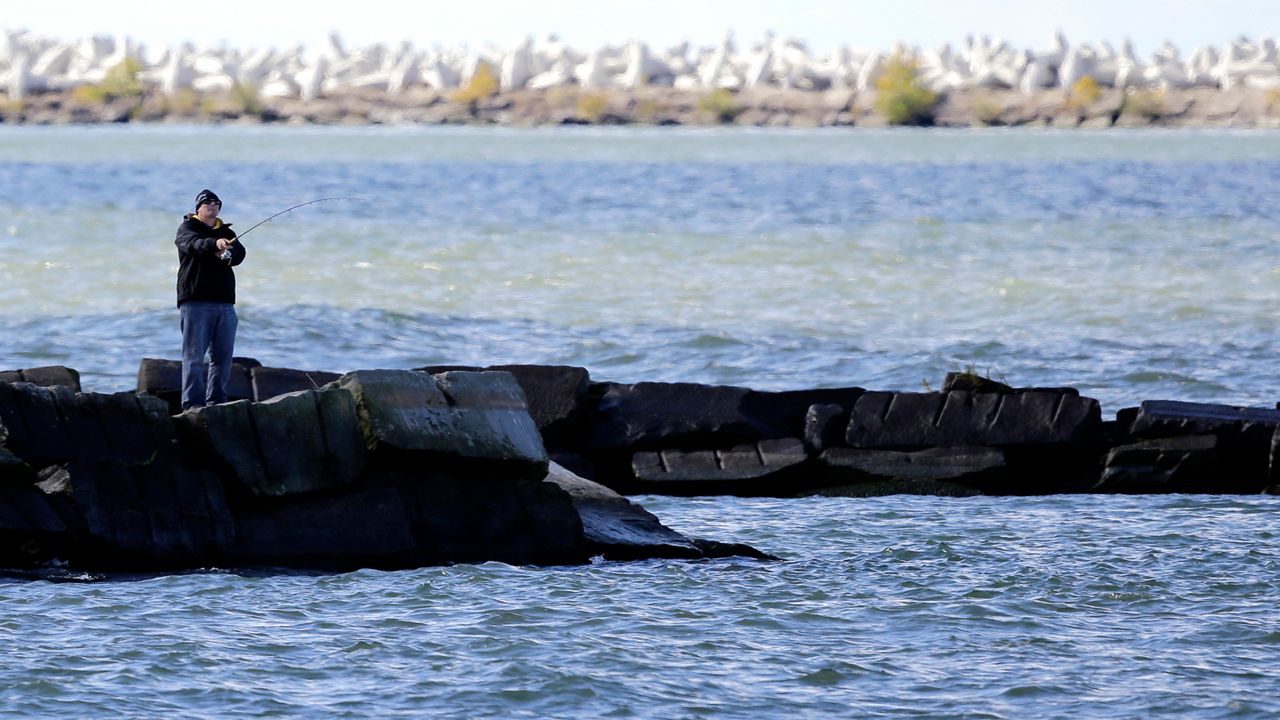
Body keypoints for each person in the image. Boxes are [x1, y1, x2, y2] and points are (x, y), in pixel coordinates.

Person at [175, 188, 246, 411]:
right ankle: (193, 405)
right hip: (195, 302)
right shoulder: (187, 228)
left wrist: (229, 252)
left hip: (225, 304)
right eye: (207, 203)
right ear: (198, 208)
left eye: (216, 202)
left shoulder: (225, 231)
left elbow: (240, 254)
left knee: (222, 359)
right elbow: (193, 244)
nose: (212, 205)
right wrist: (214, 245)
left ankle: (217, 402)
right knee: (194, 358)